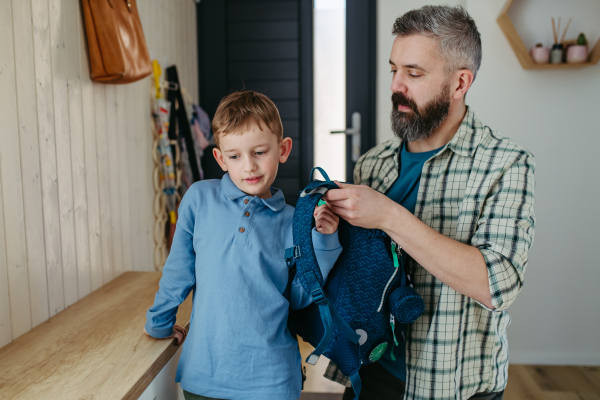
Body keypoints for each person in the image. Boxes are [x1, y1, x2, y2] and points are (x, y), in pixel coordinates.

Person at [323, 5, 535, 400]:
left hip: (453, 386)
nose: (396, 86)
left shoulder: (506, 164)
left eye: (414, 74)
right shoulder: (373, 164)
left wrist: (388, 216)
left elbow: (497, 284)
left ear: (459, 83)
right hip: (371, 373)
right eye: (394, 70)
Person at [143, 91, 343, 400]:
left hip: (273, 381)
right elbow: (178, 272)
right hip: (205, 376)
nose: (248, 166)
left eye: (260, 152)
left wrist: (325, 241)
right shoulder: (198, 200)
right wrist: (159, 324)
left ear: (283, 149)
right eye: (234, 156)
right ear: (220, 158)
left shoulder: (295, 221)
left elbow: (301, 298)